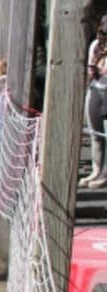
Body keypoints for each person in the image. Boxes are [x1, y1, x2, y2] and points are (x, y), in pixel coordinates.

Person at [81, 15, 107, 188]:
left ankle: (105, 173)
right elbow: (91, 72)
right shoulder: (95, 46)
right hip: (96, 90)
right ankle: (96, 170)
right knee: (95, 134)